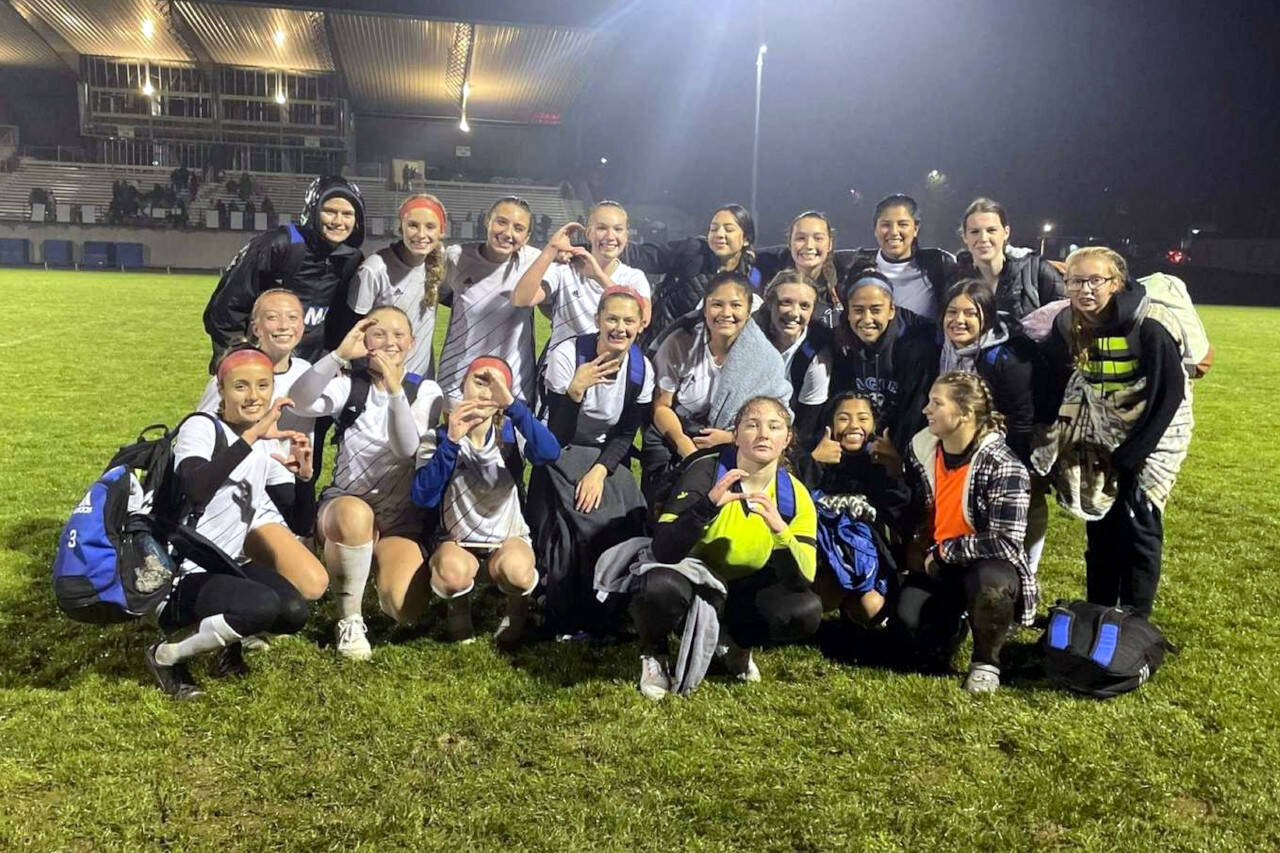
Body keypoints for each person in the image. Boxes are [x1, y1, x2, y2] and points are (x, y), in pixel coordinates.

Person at [149, 348, 325, 697]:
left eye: (263, 385)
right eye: (240, 386)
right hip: (177, 573)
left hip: (224, 565)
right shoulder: (201, 426)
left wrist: (305, 478)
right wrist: (251, 437)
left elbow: (301, 522)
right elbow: (196, 487)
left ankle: (225, 644)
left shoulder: (263, 441)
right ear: (221, 389)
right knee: (261, 605)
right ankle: (165, 656)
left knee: (292, 613)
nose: (253, 396)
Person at [627, 396, 822, 699]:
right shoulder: (705, 473)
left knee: (804, 610)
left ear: (787, 439)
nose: (763, 434)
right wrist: (705, 507)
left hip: (740, 588)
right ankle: (654, 652)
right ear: (735, 436)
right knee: (658, 586)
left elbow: (803, 578)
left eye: (774, 427)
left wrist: (781, 531)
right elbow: (663, 550)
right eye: (752, 425)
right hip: (689, 578)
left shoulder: (794, 495)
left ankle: (738, 645)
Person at [1035, 246, 1192, 618]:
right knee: (1101, 526)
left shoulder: (1149, 324)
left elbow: (1169, 394)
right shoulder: (1067, 322)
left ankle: (1135, 620)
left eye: (1096, 280)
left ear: (1117, 283)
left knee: (1138, 524)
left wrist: (1133, 454)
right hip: (1102, 433)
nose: (1085, 289)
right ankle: (1099, 610)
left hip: (1153, 435)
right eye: (1075, 281)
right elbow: (1054, 372)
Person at [286, 308, 442, 659]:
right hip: (347, 503)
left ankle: (365, 560)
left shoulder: (426, 390)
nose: (390, 342)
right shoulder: (349, 385)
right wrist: (338, 355)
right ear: (365, 342)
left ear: (412, 342)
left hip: (399, 517)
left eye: (398, 335)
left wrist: (395, 390)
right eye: (379, 334)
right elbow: (299, 400)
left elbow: (406, 448)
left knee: (403, 609)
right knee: (355, 516)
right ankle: (349, 618)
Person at [899, 372, 1034, 693]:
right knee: (909, 630)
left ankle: (987, 662)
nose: (926, 410)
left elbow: (1005, 541)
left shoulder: (1004, 465)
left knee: (990, 587)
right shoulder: (921, 449)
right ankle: (954, 627)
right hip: (939, 565)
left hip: (986, 565)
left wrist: (944, 551)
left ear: (964, 413)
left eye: (937, 403)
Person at [410, 357, 560, 646]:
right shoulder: (438, 437)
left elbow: (550, 453)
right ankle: (458, 608)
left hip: (507, 539)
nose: (486, 391)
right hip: (457, 541)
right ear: (463, 385)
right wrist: (452, 442)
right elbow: (423, 497)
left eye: (496, 385)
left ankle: (518, 608)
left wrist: (513, 406)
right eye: (479, 381)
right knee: (451, 577)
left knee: (518, 574)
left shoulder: (512, 434)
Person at [532, 287, 653, 638]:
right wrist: (574, 392)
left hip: (604, 454)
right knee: (583, 516)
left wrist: (600, 471)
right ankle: (569, 605)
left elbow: (626, 432)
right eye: (611, 318)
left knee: (631, 513)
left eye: (628, 321)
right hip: (560, 447)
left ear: (640, 325)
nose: (620, 328)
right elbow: (556, 435)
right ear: (597, 319)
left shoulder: (641, 369)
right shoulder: (567, 355)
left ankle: (618, 604)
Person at [643, 272, 792, 505]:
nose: (726, 313)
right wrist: (686, 448)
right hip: (678, 436)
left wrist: (732, 438)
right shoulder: (679, 343)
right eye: (717, 305)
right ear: (705, 308)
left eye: (736, 305)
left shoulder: (766, 358)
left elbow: (777, 416)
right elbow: (661, 406)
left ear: (749, 311)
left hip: (736, 442)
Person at [939, 278, 1048, 576]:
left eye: (970, 313)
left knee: (1022, 504)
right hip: (962, 445)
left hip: (1006, 445)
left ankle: (1026, 568)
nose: (959, 320)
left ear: (986, 317)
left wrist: (1017, 463)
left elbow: (1022, 416)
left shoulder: (1006, 358)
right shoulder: (943, 348)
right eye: (952, 312)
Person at [203, 175, 366, 370]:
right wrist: (242, 359)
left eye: (347, 214)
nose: (338, 221)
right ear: (313, 211)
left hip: (310, 372)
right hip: (261, 368)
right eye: (329, 211)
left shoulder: (351, 260)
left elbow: (339, 321)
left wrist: (332, 363)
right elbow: (225, 310)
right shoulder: (278, 245)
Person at [196, 289, 316, 535]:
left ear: (303, 325)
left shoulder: (307, 371)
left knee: (303, 546)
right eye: (272, 317)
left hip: (283, 484)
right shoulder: (233, 373)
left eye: (293, 317)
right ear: (256, 327)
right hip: (233, 488)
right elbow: (204, 433)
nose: (284, 325)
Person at [801, 393, 912, 626]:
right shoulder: (812, 453)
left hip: (867, 558)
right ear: (830, 424)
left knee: (871, 609)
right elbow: (793, 500)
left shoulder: (882, 460)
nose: (853, 425)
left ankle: (857, 608)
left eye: (863, 418)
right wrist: (814, 462)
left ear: (874, 424)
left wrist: (894, 471)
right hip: (823, 557)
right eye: (843, 418)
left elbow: (902, 516)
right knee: (821, 599)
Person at [436, 196, 541, 404]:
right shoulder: (455, 257)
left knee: (510, 427)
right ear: (487, 221)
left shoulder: (536, 261)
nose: (508, 233)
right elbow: (437, 294)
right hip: (457, 380)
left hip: (514, 385)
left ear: (527, 236)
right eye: (501, 222)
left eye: (518, 228)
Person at [511, 201, 651, 354]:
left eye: (618, 229)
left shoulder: (634, 277)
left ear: (626, 235)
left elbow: (643, 319)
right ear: (588, 233)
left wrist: (599, 276)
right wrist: (551, 248)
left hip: (610, 365)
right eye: (601, 228)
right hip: (564, 365)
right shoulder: (565, 269)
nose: (610, 236)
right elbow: (521, 299)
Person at [829, 270, 939, 456]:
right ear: (848, 312)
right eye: (858, 310)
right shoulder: (840, 343)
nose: (867, 319)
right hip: (859, 441)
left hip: (902, 448)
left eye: (875, 310)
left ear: (891, 310)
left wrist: (899, 456)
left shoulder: (916, 348)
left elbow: (915, 414)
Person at [619, 204, 761, 342]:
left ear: (746, 239)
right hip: (664, 342)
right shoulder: (693, 251)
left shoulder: (750, 276)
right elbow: (646, 256)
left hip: (710, 350)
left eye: (728, 229)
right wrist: (614, 244)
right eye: (714, 229)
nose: (719, 234)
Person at [348, 193, 448, 382]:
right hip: (380, 380)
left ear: (441, 231)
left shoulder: (438, 266)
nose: (421, 234)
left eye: (430, 226)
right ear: (400, 227)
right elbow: (352, 331)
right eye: (413, 225)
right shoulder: (373, 269)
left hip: (419, 381)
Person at [951, 197, 1066, 325]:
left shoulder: (1037, 271)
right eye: (974, 232)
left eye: (991, 230)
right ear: (965, 237)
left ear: (1006, 233)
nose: (983, 238)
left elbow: (1065, 321)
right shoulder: (953, 279)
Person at [847, 194, 957, 321]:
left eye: (903, 224)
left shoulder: (939, 266)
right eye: (886, 225)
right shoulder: (857, 268)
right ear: (875, 229)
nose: (894, 232)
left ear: (915, 229)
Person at [755, 270, 832, 447]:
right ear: (770, 303)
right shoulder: (749, 336)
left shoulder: (817, 355)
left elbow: (806, 425)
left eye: (804, 306)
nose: (794, 313)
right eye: (786, 302)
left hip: (788, 438)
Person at [754, 211, 855, 329]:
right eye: (801, 238)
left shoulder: (843, 280)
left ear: (830, 244)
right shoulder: (773, 280)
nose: (809, 245)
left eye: (818, 238)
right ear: (790, 243)